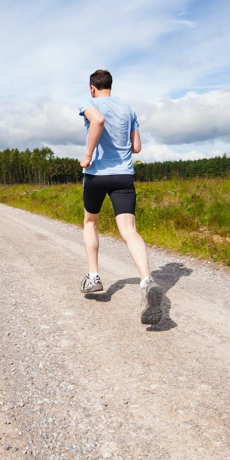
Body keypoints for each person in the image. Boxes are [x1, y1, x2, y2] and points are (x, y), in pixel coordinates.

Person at [78, 69, 162, 324]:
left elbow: (98, 121)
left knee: (91, 222)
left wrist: (89, 155)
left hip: (96, 175)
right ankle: (147, 280)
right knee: (129, 230)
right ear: (110, 86)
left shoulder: (89, 103)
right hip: (124, 176)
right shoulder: (128, 109)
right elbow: (136, 147)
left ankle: (94, 277)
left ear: (92, 88)